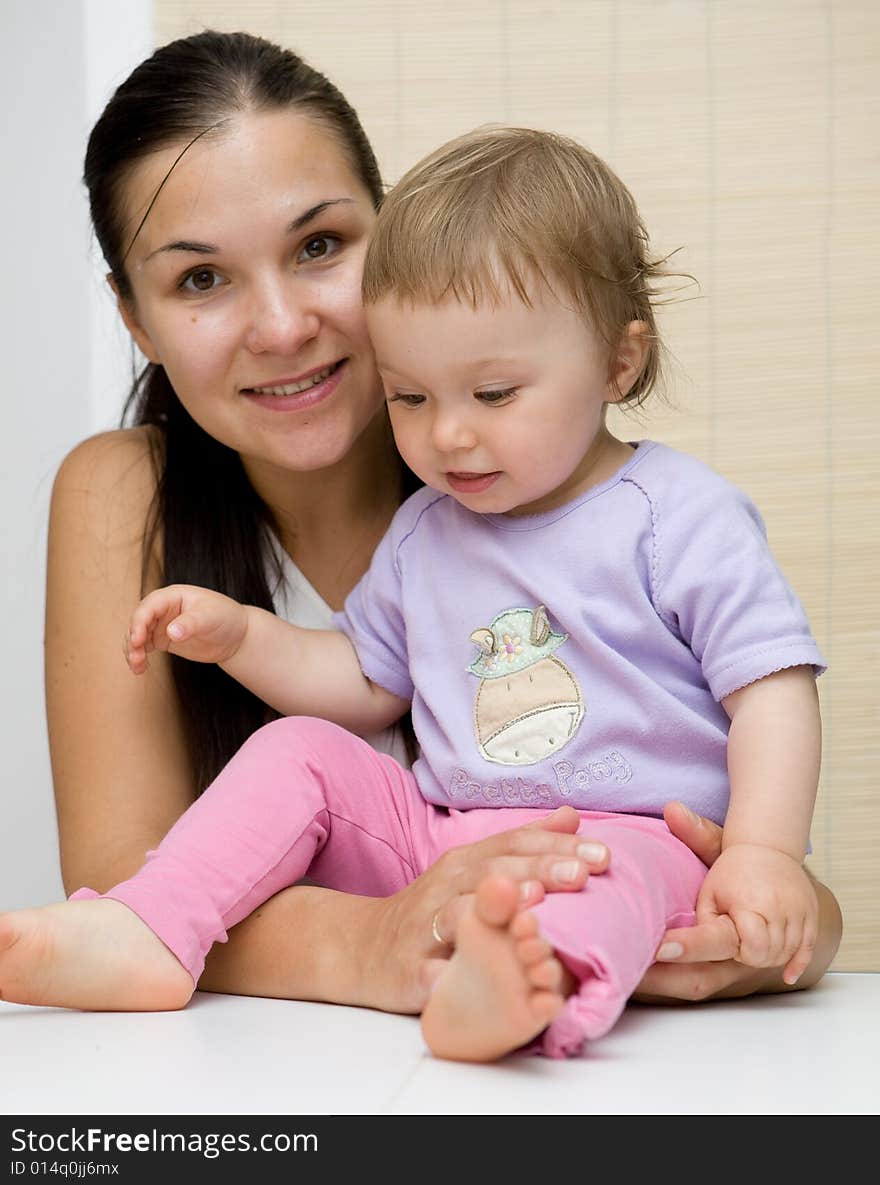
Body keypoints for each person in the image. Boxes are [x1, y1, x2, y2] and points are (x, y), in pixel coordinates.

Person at [3, 31, 840, 1022]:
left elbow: (764, 717)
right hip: (404, 884)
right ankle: (154, 938)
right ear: (134, 318)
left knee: (581, 885)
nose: (280, 327)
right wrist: (242, 638)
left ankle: (517, 990)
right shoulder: (384, 525)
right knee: (297, 746)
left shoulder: (611, 491)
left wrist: (772, 899)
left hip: (604, 849)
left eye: (320, 246)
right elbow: (351, 685)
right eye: (200, 278)